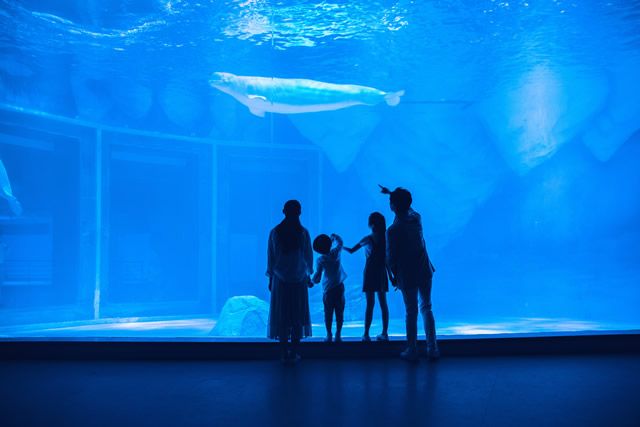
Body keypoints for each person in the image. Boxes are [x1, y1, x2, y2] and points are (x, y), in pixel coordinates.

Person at [381, 185, 439, 362]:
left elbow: (391, 258)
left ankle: (412, 349)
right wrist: (392, 194)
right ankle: (432, 348)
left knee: (411, 311)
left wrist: (393, 276)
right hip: (424, 270)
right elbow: (407, 206)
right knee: (426, 307)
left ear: (392, 206)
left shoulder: (392, 231)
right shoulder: (416, 219)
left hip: (407, 275)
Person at [267, 200, 313, 363]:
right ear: (299, 212)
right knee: (297, 315)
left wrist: (271, 279)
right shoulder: (303, 233)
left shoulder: (275, 232)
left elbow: (271, 259)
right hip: (299, 280)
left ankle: (283, 352)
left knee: (282, 315)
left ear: (283, 211)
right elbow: (307, 258)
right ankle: (294, 351)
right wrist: (307, 276)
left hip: (280, 280)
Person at [344, 212, 390, 342]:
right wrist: (392, 276)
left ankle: (366, 334)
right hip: (382, 271)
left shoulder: (367, 239)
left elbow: (352, 250)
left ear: (371, 224)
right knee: (383, 303)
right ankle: (385, 333)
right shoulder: (386, 238)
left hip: (370, 272)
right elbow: (387, 260)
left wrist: (340, 246)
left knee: (370, 304)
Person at [312, 233, 347, 343]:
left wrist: (312, 281)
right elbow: (341, 243)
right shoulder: (336, 252)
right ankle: (338, 334)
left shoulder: (320, 260)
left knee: (328, 313)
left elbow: (317, 276)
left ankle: (329, 335)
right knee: (339, 312)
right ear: (330, 244)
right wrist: (335, 237)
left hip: (328, 289)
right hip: (339, 287)